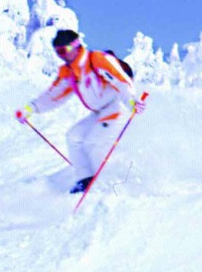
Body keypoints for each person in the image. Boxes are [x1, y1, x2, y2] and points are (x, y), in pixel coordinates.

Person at [15, 28, 139, 194]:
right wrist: (31, 108)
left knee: (92, 141)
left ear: (76, 45)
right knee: (73, 137)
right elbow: (53, 95)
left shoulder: (97, 59)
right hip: (99, 112)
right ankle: (86, 180)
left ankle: (110, 182)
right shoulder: (69, 72)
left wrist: (131, 101)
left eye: (64, 50)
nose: (61, 55)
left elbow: (121, 80)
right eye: (58, 52)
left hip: (115, 106)